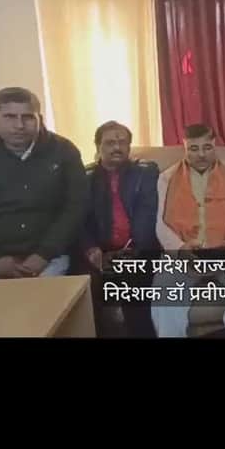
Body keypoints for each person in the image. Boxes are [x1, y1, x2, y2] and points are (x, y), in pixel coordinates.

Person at [0, 87, 87, 281]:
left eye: (28, 117)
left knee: (47, 298)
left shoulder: (64, 151)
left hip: (46, 258)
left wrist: (44, 253)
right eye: (9, 117)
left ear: (40, 119)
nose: (19, 125)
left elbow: (76, 207)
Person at [152, 123, 225, 337]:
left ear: (215, 145)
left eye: (207, 147)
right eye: (194, 148)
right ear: (184, 147)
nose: (201, 154)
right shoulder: (166, 177)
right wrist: (180, 248)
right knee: (164, 295)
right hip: (183, 252)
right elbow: (159, 223)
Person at [79, 121, 159, 338]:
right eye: (110, 143)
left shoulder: (146, 173)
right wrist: (91, 249)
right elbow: (79, 220)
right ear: (98, 146)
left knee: (135, 286)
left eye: (122, 142)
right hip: (99, 252)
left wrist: (131, 252)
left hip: (137, 251)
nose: (117, 147)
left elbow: (147, 217)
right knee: (85, 290)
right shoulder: (84, 178)